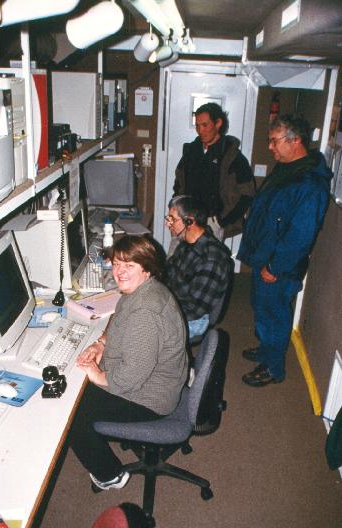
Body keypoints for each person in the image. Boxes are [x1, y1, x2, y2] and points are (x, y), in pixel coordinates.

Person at [69, 235, 188, 490]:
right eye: (117, 264)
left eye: (129, 265)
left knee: (69, 412)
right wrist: (101, 343)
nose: (120, 272)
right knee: (73, 391)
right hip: (150, 378)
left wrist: (96, 374)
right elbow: (119, 316)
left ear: (146, 268)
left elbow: (128, 379)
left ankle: (110, 474)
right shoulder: (140, 290)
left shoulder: (146, 311)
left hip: (150, 398)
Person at [237, 114, 332, 387]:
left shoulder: (310, 182)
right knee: (261, 308)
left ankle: (273, 368)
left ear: (295, 141)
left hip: (280, 265)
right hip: (265, 256)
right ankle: (267, 351)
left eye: (273, 141)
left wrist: (275, 266)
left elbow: (300, 236)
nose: (270, 147)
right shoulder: (288, 167)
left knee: (274, 316)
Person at [173, 102, 256, 240]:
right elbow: (179, 183)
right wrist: (177, 211)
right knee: (175, 259)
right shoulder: (191, 151)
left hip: (212, 224)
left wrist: (221, 221)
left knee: (206, 261)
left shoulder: (232, 156)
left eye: (205, 125)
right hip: (186, 220)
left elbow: (247, 194)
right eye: (197, 126)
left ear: (218, 123)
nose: (200, 130)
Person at [164, 195, 232, 340]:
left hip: (191, 321)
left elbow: (194, 310)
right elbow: (167, 271)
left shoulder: (211, 259)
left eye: (172, 220)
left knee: (138, 332)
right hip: (172, 303)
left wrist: (156, 309)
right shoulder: (186, 242)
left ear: (190, 222)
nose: (167, 224)